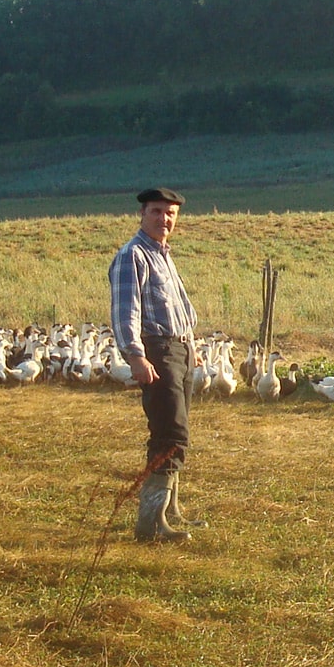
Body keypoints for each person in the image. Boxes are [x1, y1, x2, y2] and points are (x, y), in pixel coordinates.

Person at [109, 187, 204, 542]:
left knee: (179, 431)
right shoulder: (132, 256)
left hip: (180, 350)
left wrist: (191, 348)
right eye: (157, 212)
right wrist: (136, 356)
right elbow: (125, 311)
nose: (164, 220)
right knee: (168, 434)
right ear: (142, 214)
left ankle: (171, 512)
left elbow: (177, 309)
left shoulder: (162, 255)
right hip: (157, 352)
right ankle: (150, 526)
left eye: (171, 214)